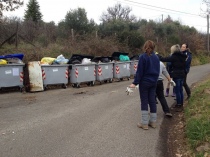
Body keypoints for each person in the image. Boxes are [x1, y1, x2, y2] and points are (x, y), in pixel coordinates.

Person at [129, 40, 160, 130]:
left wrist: (134, 83)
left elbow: (140, 72)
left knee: (144, 101)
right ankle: (153, 122)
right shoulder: (156, 57)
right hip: (154, 82)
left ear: (145, 47)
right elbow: (158, 71)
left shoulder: (143, 57)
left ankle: (144, 123)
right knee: (152, 101)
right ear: (154, 47)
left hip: (144, 82)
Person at [158, 44, 187, 111]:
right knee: (180, 90)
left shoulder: (173, 56)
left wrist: (158, 56)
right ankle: (181, 104)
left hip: (176, 75)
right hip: (182, 74)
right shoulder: (183, 56)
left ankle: (178, 105)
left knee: (177, 90)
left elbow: (164, 59)